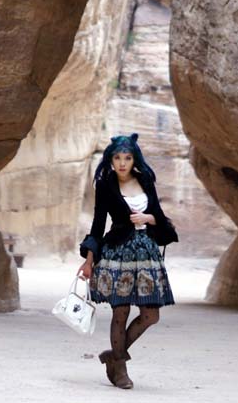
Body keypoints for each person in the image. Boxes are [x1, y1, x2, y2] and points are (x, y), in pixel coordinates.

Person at [77, 132, 178, 390]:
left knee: (151, 315)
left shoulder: (146, 180)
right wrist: (89, 260)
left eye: (128, 157)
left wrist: (148, 219)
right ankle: (120, 369)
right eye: (117, 158)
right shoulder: (105, 184)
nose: (122, 163)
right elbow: (98, 224)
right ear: (111, 160)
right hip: (117, 254)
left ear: (135, 159)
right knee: (120, 312)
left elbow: (159, 215)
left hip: (146, 255)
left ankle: (113, 356)